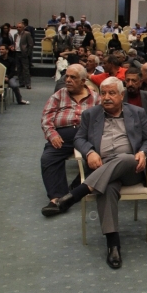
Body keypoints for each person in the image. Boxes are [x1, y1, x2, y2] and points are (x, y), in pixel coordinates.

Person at [49, 77, 147, 270]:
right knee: (107, 187)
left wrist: (143, 152)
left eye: (112, 93)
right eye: (103, 93)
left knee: (126, 158)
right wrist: (89, 152)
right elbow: (79, 139)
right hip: (101, 168)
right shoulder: (91, 114)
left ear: (121, 95)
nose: (106, 97)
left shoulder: (137, 112)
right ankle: (113, 244)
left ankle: (77, 193)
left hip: (131, 168)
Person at [40, 65, 100, 216]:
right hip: (62, 136)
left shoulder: (95, 98)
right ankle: (57, 199)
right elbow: (46, 117)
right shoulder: (59, 95)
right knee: (48, 157)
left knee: (99, 156)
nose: (68, 80)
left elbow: (102, 120)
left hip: (86, 136)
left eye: (73, 77)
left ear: (83, 81)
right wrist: (52, 135)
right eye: (67, 76)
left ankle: (75, 188)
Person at [14, 21, 34, 89]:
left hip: (24, 53)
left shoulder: (27, 34)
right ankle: (21, 83)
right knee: (19, 69)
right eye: (17, 27)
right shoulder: (15, 35)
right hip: (17, 52)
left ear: (23, 28)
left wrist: (28, 53)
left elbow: (30, 44)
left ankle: (28, 84)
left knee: (26, 70)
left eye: (20, 27)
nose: (18, 28)